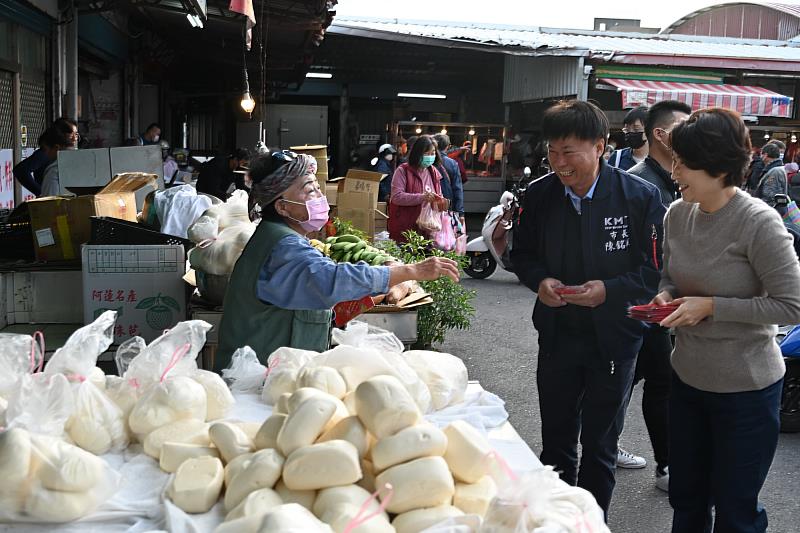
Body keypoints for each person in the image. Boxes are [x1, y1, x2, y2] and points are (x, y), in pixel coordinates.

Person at [510, 99, 665, 518]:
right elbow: (520, 255)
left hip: (615, 338)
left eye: (569, 152)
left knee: (600, 445)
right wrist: (539, 281)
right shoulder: (540, 195)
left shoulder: (640, 197)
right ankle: (555, 522)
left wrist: (609, 291)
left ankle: (593, 524)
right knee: (557, 442)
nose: (559, 163)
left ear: (600, 146)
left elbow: (654, 270)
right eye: (552, 152)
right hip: (559, 334)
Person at [654, 108, 800, 533]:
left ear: (716, 166)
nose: (674, 169)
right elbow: (669, 275)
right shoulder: (677, 213)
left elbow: (792, 304)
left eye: (682, 161)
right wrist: (666, 295)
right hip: (688, 380)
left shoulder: (759, 223)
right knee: (687, 499)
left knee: (736, 510)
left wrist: (713, 306)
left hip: (747, 392)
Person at [214, 150, 460, 370]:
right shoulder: (284, 246)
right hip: (253, 381)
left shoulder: (276, 235)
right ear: (282, 207)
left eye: (318, 187)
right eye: (310, 190)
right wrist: (410, 271)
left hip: (261, 373)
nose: (320, 196)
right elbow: (332, 279)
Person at [619, 100, 691, 486]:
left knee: (647, 377)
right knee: (648, 377)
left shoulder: (681, 178)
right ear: (661, 134)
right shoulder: (638, 180)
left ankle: (610, 443)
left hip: (665, 300)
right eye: (685, 125)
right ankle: (666, 466)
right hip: (642, 300)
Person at [388, 135, 448, 243]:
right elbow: (396, 197)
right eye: (426, 153)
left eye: (433, 153)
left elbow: (439, 195)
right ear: (417, 153)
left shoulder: (434, 172)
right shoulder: (403, 171)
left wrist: (441, 202)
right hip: (405, 231)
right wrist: (422, 197)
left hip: (427, 232)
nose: (430, 156)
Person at [12, 117, 78, 197]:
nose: (75, 138)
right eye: (71, 134)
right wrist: (40, 192)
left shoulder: (72, 159)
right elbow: (21, 170)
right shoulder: (49, 157)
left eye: (76, 134)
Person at [433, 133, 465, 228]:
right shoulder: (452, 163)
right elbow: (457, 189)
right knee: (445, 234)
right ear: (448, 146)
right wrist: (460, 212)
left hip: (428, 204)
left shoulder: (427, 161)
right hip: (446, 206)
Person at [609, 107, 649, 171]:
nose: (630, 133)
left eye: (636, 129)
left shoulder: (660, 159)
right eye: (627, 130)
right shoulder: (617, 158)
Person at [38, 127, 72, 197]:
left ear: (56, 148)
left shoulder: (54, 171)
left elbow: (49, 201)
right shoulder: (81, 163)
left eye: (45, 150)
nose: (45, 154)